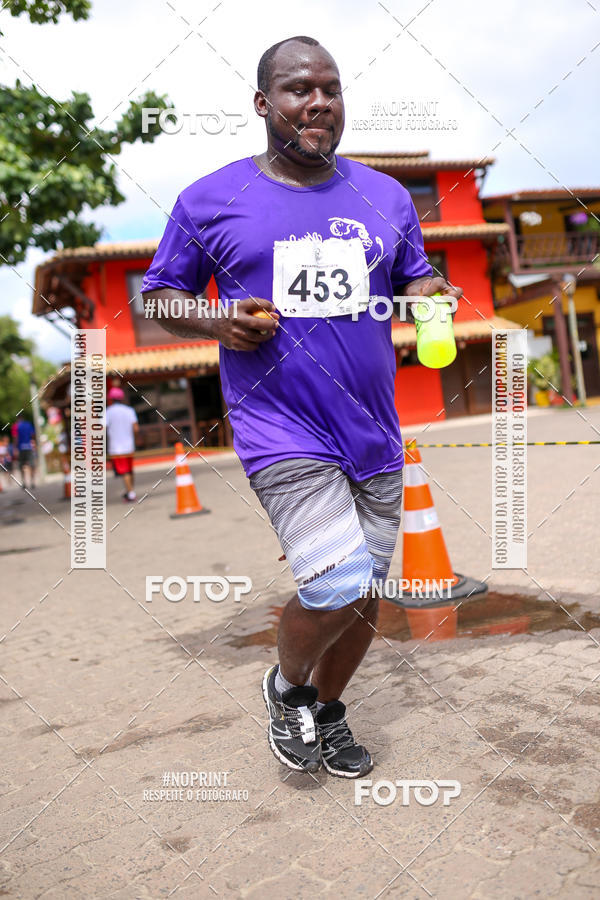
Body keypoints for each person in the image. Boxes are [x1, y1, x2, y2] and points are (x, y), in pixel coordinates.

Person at [142, 36, 462, 777]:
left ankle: (328, 710)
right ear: (264, 104)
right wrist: (215, 320)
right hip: (280, 426)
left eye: (331, 88)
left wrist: (425, 294)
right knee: (339, 579)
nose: (317, 102)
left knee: (362, 595)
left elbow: (415, 275)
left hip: (374, 432)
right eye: (297, 90)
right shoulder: (211, 198)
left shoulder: (383, 196)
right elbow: (155, 296)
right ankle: (286, 689)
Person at [105, 387, 139, 501]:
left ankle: (131, 494)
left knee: (124, 471)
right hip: (129, 446)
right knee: (129, 470)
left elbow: (101, 429)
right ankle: (130, 491)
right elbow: (135, 428)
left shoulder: (108, 412)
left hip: (116, 448)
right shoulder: (129, 410)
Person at [15, 414, 37, 491]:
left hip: (21, 448)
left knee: (22, 466)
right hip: (29, 447)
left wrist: (15, 448)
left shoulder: (16, 426)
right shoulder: (28, 424)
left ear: (18, 419)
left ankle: (24, 483)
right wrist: (33, 443)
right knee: (32, 465)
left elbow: (16, 438)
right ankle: (32, 482)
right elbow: (33, 435)